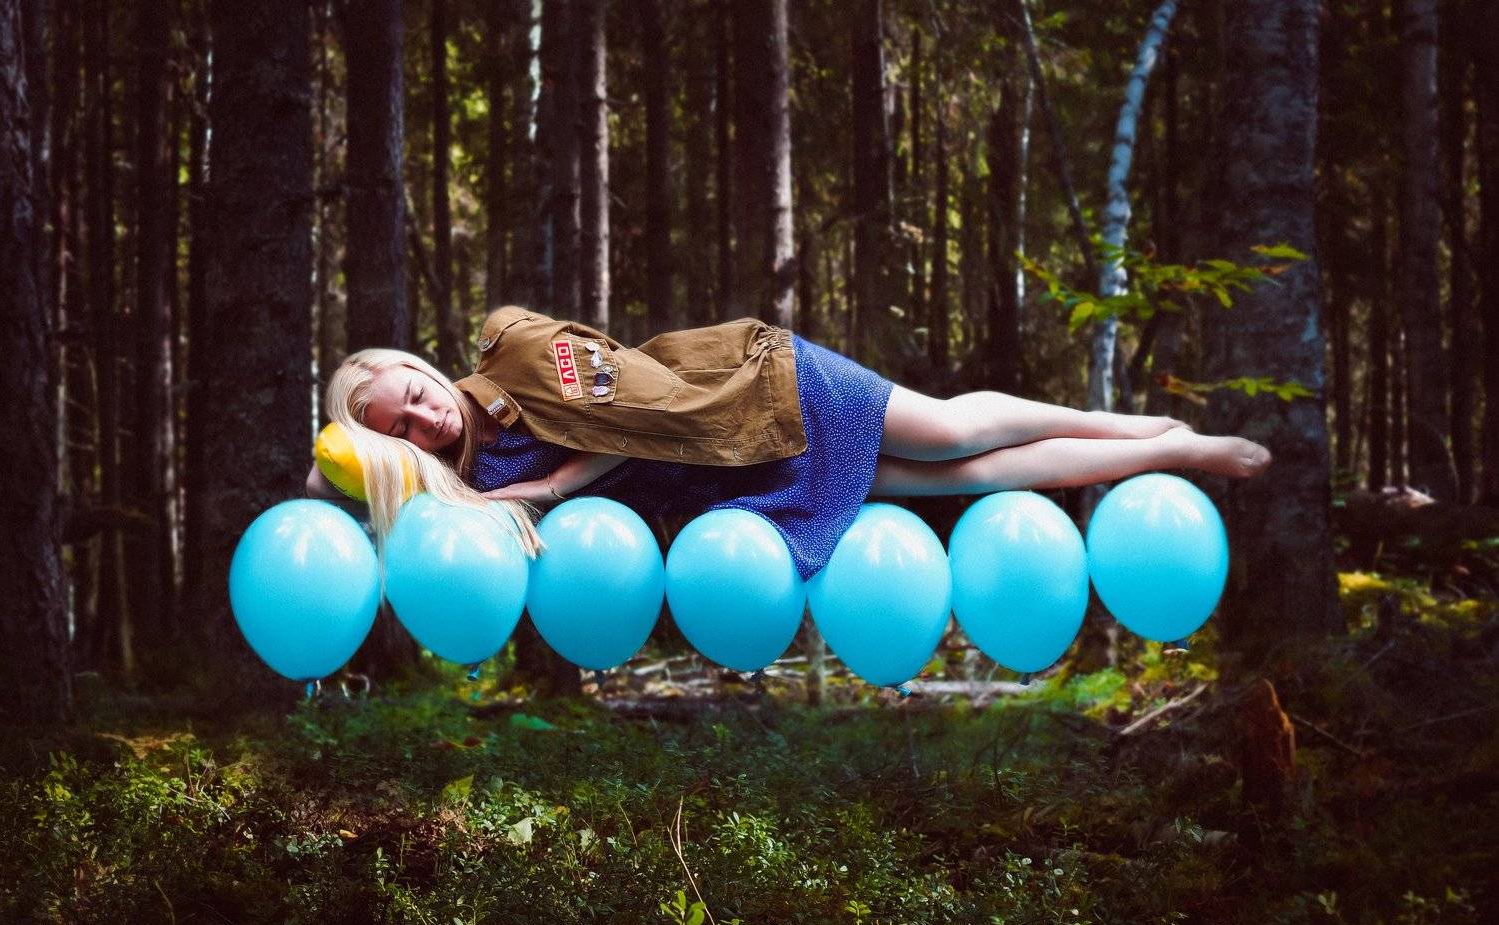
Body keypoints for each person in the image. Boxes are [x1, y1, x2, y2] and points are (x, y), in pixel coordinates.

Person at [307, 305, 1271, 578]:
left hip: (752, 391)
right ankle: (1164, 448)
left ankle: (1171, 437)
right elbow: (330, 490)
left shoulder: (514, 352)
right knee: (964, 480)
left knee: (949, 430)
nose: (424, 419)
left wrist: (550, 489)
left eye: (412, 395)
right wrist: (335, 458)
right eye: (400, 430)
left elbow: (637, 424)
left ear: (421, 366)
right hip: (730, 479)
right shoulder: (465, 482)